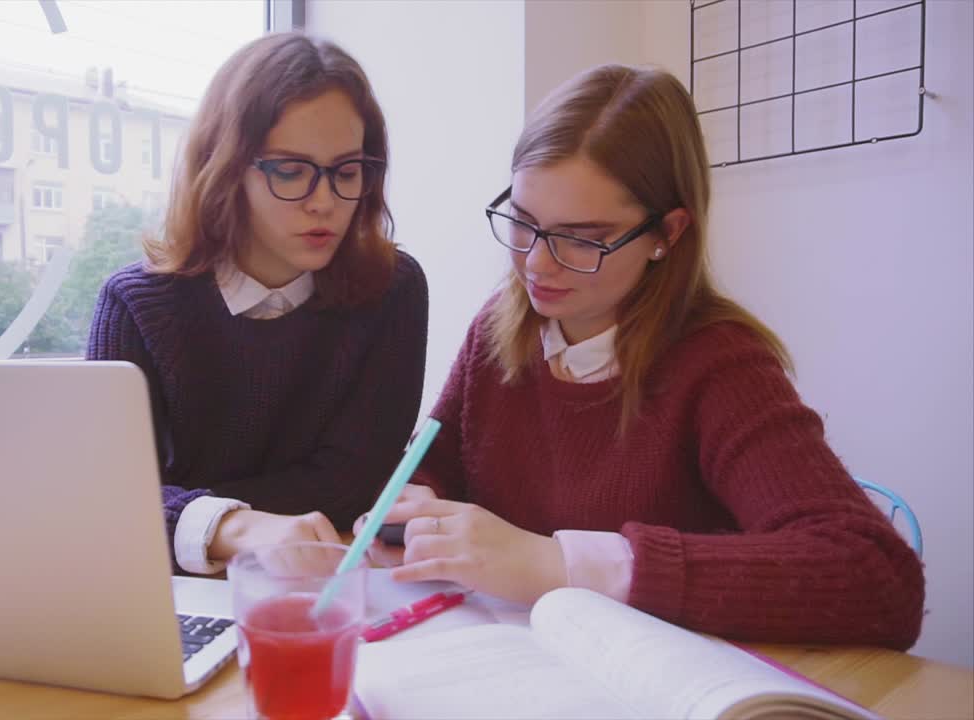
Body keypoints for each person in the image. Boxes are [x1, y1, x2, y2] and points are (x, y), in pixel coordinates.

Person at [362, 64, 923, 649]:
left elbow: (878, 580)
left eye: (582, 238)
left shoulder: (718, 364)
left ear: (669, 232)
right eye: (524, 223)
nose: (536, 265)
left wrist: (563, 564)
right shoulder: (500, 331)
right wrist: (416, 507)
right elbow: (436, 467)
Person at [88, 32, 428, 575]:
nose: (324, 203)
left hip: (321, 582)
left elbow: (355, 483)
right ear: (225, 168)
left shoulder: (393, 290)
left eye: (346, 172)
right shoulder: (136, 304)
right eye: (290, 171)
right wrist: (235, 527)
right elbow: (103, 502)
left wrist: (182, 509)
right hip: (169, 592)